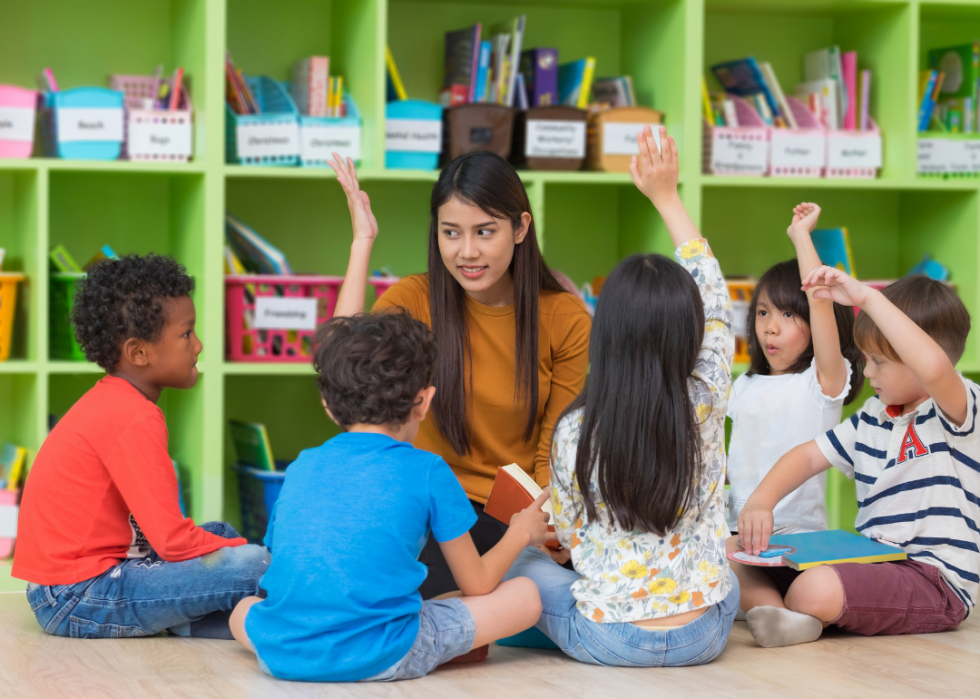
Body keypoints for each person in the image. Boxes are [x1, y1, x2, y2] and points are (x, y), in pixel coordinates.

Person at [502, 125, 739, 667]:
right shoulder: (708, 393)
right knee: (725, 576)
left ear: (605, 331)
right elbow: (716, 296)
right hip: (706, 634)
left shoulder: (573, 430)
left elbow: (568, 535)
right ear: (689, 330)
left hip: (610, 638)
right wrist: (667, 195)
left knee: (517, 568)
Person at [229, 312, 551, 682]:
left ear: (327, 404)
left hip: (282, 653)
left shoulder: (303, 464)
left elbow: (281, 566)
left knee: (244, 609)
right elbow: (477, 584)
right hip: (383, 653)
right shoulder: (428, 469)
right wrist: (521, 533)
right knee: (526, 594)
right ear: (424, 401)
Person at [328, 150, 590, 597]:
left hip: (507, 519)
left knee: (556, 596)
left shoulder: (563, 317)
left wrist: (552, 527)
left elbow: (556, 455)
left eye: (485, 232)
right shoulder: (414, 299)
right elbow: (343, 377)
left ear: (521, 228)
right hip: (419, 505)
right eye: (451, 233)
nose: (467, 252)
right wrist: (361, 242)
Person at [14, 254, 268, 639]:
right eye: (186, 334)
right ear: (138, 352)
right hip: (77, 596)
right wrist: (241, 550)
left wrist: (225, 544)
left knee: (219, 531)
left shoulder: (115, 400)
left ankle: (194, 621)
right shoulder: (134, 416)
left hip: (71, 586)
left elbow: (165, 538)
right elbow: (172, 540)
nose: (198, 345)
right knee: (255, 563)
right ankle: (245, 619)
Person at [733, 268, 977, 648]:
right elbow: (806, 457)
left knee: (814, 586)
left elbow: (934, 368)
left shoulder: (958, 409)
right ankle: (780, 614)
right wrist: (760, 502)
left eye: (879, 361)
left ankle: (801, 607)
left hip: (933, 581)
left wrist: (868, 299)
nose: (868, 371)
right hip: (876, 560)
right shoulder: (872, 417)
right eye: (867, 358)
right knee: (732, 553)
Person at [727, 203, 864, 534]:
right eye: (762, 313)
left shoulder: (820, 384)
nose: (770, 327)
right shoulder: (744, 384)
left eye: (788, 314)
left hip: (797, 535)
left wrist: (801, 235)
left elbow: (820, 303)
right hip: (734, 532)